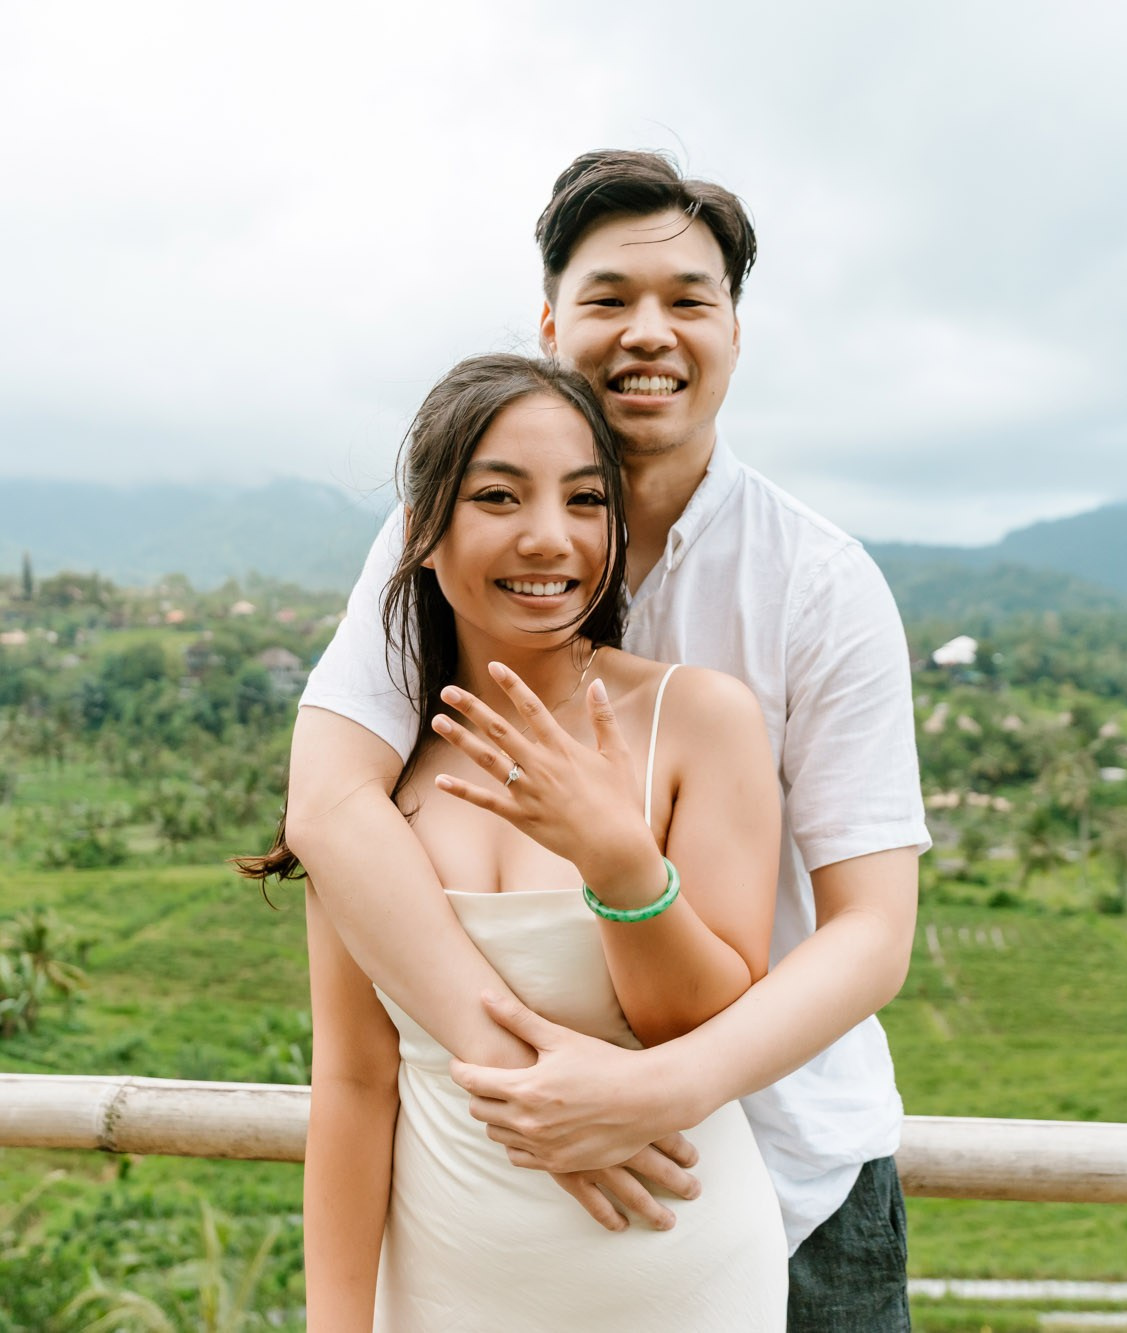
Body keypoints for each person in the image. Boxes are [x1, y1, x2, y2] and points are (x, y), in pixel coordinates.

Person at [287, 151, 928, 1330]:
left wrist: (647, 1091)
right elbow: (330, 811)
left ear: (735, 332)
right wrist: (540, 1088)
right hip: (492, 1210)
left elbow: (873, 934)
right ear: (548, 322)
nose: (649, 332)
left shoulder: (816, 586)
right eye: (607, 299)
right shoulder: (435, 539)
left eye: (689, 300)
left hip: (793, 1170)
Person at [241, 353, 788, 1329]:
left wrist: (618, 861)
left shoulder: (694, 719)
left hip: (683, 1277)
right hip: (444, 1294)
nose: (549, 537)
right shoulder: (371, 784)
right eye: (498, 495)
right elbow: (358, 1083)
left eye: (585, 500)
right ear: (419, 533)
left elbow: (691, 1027)